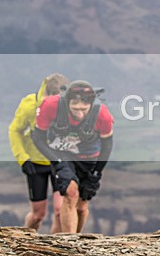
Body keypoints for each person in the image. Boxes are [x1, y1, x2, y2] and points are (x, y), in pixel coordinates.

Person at [31, 80, 114, 234]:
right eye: (75, 108)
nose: (80, 113)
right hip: (62, 153)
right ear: (67, 101)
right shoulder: (50, 105)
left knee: (82, 207)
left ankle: (75, 237)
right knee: (70, 193)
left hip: (89, 156)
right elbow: (38, 138)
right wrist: (57, 161)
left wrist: (96, 173)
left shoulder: (102, 114)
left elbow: (107, 145)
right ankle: (70, 242)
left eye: (84, 109)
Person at [8, 73, 69, 232]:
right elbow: (15, 130)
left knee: (60, 210)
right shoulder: (29, 105)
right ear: (47, 94)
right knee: (38, 215)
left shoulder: (69, 104)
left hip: (59, 161)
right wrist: (23, 159)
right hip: (35, 163)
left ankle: (55, 250)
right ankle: (23, 243)